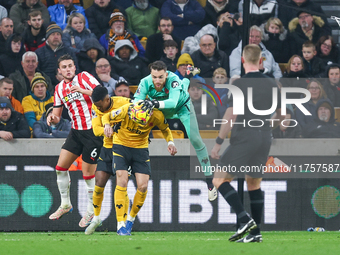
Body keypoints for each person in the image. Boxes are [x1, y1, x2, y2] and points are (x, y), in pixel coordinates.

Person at [211, 44, 283, 243]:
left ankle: (244, 219)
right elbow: (282, 115)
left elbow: (231, 114)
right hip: (264, 136)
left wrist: (218, 142)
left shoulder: (240, 84)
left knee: (218, 180)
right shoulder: (273, 83)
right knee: (253, 182)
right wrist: (269, 129)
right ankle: (256, 232)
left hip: (245, 135)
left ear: (243, 61)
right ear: (261, 61)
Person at [134, 60, 218, 201]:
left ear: (166, 74)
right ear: (151, 74)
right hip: (161, 110)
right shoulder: (145, 82)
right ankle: (188, 75)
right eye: (154, 77)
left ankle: (210, 182)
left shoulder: (172, 79)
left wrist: (152, 102)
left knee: (195, 139)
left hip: (181, 106)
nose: (157, 80)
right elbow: (136, 101)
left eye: (161, 77)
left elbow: (173, 102)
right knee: (138, 118)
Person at [101, 100, 177, 235]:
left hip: (140, 149)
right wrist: (107, 125)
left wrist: (170, 142)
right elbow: (106, 116)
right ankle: (120, 224)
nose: (138, 124)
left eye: (141, 122)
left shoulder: (157, 116)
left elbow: (165, 129)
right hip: (121, 146)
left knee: (143, 186)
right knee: (122, 180)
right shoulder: (126, 110)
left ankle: (130, 219)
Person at [47, 54, 102, 229]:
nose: (68, 69)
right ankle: (65, 204)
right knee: (60, 168)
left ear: (74, 67)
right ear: (59, 70)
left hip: (93, 132)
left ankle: (91, 210)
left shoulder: (84, 77)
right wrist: (52, 119)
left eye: (70, 65)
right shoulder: (59, 89)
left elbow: (102, 94)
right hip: (76, 132)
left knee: (87, 174)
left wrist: (82, 91)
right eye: (64, 67)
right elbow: (57, 113)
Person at [84, 86, 132, 235]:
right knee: (99, 183)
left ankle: (121, 223)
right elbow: (95, 129)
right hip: (107, 149)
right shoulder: (96, 106)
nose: (98, 107)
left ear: (107, 99)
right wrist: (106, 127)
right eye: (96, 105)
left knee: (121, 185)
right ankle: (96, 218)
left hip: (124, 148)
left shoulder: (125, 103)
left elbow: (138, 118)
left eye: (100, 105)